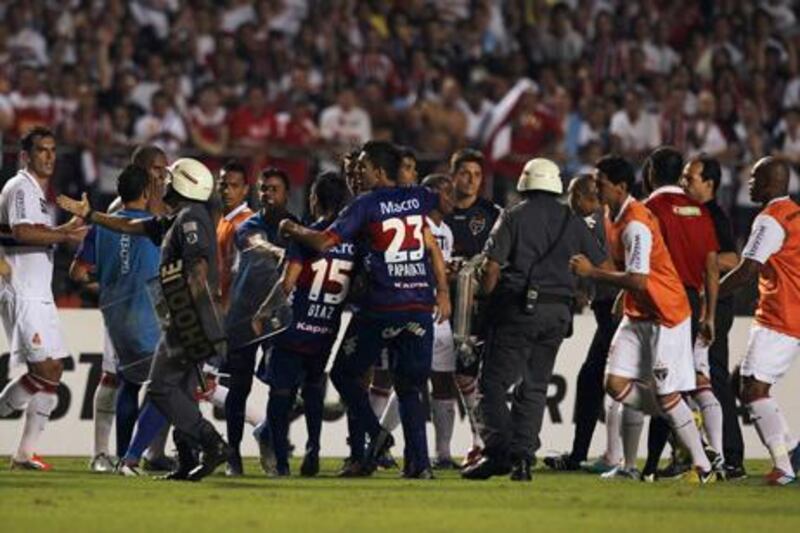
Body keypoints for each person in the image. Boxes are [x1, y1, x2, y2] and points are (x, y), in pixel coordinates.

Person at [279, 140, 451, 479]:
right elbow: (439, 218)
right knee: (410, 387)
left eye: (363, 167)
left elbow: (325, 241)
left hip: (381, 306)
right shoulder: (417, 197)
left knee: (344, 373)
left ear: (376, 169)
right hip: (419, 307)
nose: (358, 173)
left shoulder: (365, 203)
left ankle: (376, 437)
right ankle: (421, 466)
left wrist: (291, 228)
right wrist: (443, 291)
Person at [57, 158, 230, 482]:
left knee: (162, 388)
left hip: (189, 321)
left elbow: (198, 270)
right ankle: (189, 457)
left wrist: (183, 317)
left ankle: (211, 442)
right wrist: (92, 215)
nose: (162, 183)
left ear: (183, 185)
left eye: (169, 178)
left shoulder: (191, 217)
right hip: (194, 320)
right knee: (180, 389)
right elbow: (132, 226)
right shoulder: (177, 218)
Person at [569, 155, 717, 484]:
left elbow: (638, 278)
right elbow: (619, 265)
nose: (595, 187)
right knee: (615, 384)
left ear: (620, 187)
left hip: (667, 314)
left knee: (664, 395)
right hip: (639, 312)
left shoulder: (636, 222)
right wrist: (607, 283)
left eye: (600, 182)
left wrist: (592, 273)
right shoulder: (610, 213)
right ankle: (633, 461)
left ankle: (703, 466)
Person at [461, 158, 605, 482]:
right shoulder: (574, 221)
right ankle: (524, 458)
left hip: (517, 309)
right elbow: (600, 264)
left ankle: (501, 452)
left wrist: (483, 299)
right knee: (535, 387)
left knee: (491, 385)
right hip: (558, 314)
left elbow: (492, 268)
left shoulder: (512, 216)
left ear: (525, 183)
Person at [254, 172, 353, 477]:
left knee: (280, 395)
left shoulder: (305, 236)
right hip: (326, 330)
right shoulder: (351, 241)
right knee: (313, 390)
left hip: (294, 329)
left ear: (315, 199)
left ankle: (281, 463)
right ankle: (313, 451)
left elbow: (287, 284)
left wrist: (261, 312)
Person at [0, 127, 87, 471]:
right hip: (22, 290)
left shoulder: (38, 194)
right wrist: (63, 234)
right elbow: (21, 232)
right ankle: (23, 453)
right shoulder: (21, 186)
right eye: (41, 150)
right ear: (26, 156)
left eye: (52, 150)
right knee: (45, 368)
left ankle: (24, 454)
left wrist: (66, 228)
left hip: (39, 291)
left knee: (52, 370)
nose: (49, 156)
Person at [69, 164, 161, 474]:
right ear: (147, 192)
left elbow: (78, 273)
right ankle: (141, 454)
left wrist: (108, 287)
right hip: (149, 315)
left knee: (127, 383)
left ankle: (122, 456)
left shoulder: (100, 227)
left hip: (114, 316)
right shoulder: (157, 226)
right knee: (170, 384)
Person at [639, 147, 722, 481]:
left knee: (662, 387)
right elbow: (712, 266)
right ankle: (684, 458)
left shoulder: (649, 209)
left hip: (659, 301)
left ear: (650, 173)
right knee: (677, 385)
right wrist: (710, 314)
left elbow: (639, 261)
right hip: (691, 300)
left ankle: (695, 458)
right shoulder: (701, 212)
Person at [718, 156, 800, 486]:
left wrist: (711, 296)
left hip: (779, 316)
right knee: (741, 383)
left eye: (754, 178)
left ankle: (783, 468)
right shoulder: (795, 214)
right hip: (787, 312)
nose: (748, 183)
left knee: (753, 388)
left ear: (770, 182)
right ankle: (793, 451)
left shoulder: (769, 220)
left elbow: (747, 269)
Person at [223, 166, 297, 476]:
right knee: (238, 388)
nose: (267, 194)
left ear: (286, 194)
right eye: (264, 189)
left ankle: (273, 448)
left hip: (278, 317)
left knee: (282, 388)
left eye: (274, 189)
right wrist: (280, 250)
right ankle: (233, 456)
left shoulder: (297, 227)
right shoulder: (247, 224)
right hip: (244, 316)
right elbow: (253, 241)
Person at [544, 173, 620, 473]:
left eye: (582, 196)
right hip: (608, 310)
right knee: (594, 380)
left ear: (595, 199)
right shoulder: (600, 220)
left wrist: (587, 283)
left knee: (604, 381)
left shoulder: (592, 222)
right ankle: (583, 456)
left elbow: (605, 268)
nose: (574, 202)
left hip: (617, 312)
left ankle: (601, 457)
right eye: (572, 195)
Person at [681, 155, 747, 479]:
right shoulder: (692, 213)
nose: (684, 183)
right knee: (691, 381)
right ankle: (698, 454)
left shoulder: (713, 215)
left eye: (690, 178)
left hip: (716, 307)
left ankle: (732, 456)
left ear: (709, 184)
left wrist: (700, 260)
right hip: (700, 304)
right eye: (683, 177)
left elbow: (733, 259)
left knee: (715, 377)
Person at [443, 148, 502, 467]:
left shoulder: (492, 214)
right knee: (435, 374)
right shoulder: (440, 211)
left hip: (478, 306)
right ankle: (456, 447)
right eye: (465, 173)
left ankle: (484, 441)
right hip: (440, 303)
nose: (472, 180)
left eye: (478, 174)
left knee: (470, 374)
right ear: (453, 176)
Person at [216, 160, 253, 312]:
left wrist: (226, 311)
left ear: (245, 190)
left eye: (234, 186)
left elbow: (241, 273)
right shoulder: (226, 218)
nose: (227, 191)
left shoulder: (244, 224)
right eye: (224, 185)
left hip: (233, 310)